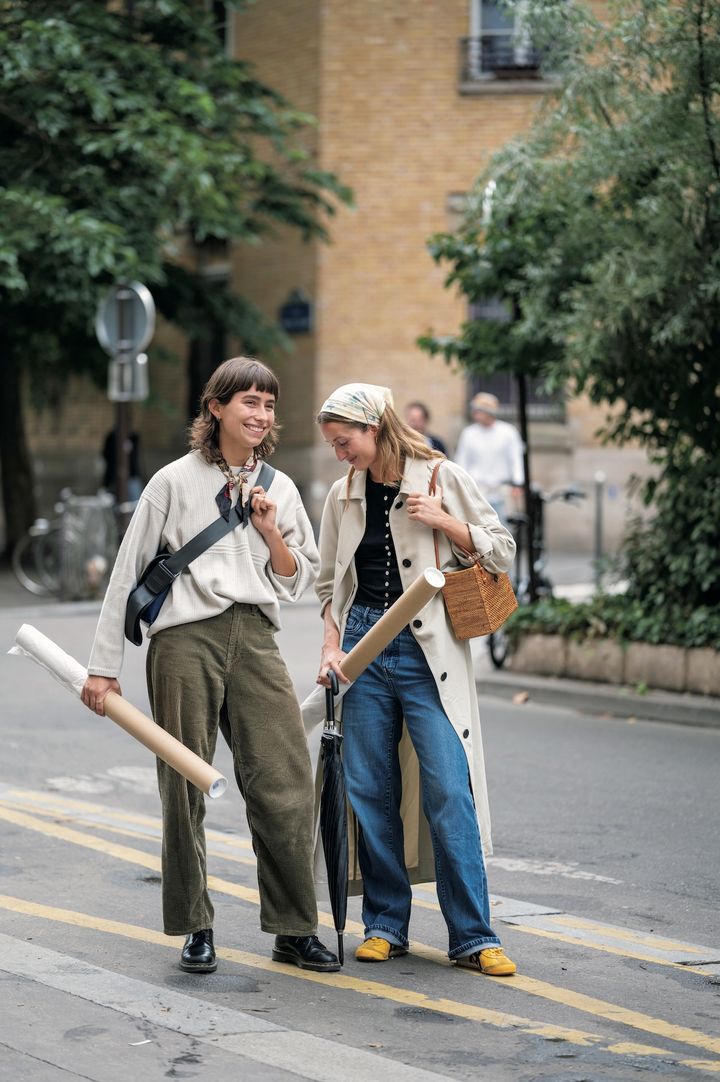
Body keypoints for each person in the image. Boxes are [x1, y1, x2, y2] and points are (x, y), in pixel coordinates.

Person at [82, 357, 340, 975]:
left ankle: (293, 927)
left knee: (284, 779)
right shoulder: (172, 482)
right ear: (216, 408)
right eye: (249, 402)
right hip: (184, 640)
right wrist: (103, 666)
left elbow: (297, 579)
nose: (261, 415)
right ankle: (196, 925)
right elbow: (127, 572)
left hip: (254, 637)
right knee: (184, 783)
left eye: (270, 405)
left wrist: (271, 531)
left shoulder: (279, 488)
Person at [315, 382, 517, 976]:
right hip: (362, 646)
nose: (339, 453)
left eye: (344, 441)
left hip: (429, 648)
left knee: (449, 789)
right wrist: (331, 647)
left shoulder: (440, 476)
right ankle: (385, 923)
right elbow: (329, 585)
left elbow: (501, 550)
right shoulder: (341, 494)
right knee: (369, 789)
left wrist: (446, 523)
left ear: (374, 428)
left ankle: (474, 936)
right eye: (332, 444)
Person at [454, 392, 524, 524]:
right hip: (477, 490)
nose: (475, 414)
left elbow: (516, 459)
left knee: (505, 528)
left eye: (478, 411)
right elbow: (461, 461)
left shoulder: (508, 432)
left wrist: (517, 483)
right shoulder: (469, 434)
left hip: (503, 489)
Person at [102, 428, 144, 503]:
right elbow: (106, 455)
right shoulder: (112, 437)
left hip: (132, 475)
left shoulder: (133, 437)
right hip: (115, 477)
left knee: (136, 502)